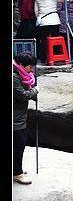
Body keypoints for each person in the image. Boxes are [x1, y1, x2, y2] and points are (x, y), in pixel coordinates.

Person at [34, 0, 73, 64]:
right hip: (54, 20)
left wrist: (40, 17)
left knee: (43, 40)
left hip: (43, 21)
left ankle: (43, 58)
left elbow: (36, 11)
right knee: (55, 39)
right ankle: (56, 56)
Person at [13, 53, 38, 185]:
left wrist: (32, 91)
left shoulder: (22, 75)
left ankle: (16, 169)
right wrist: (35, 91)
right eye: (30, 66)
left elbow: (27, 91)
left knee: (20, 143)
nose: (31, 69)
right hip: (14, 120)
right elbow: (22, 95)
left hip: (20, 118)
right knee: (19, 145)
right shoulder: (14, 77)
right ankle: (17, 174)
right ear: (22, 65)